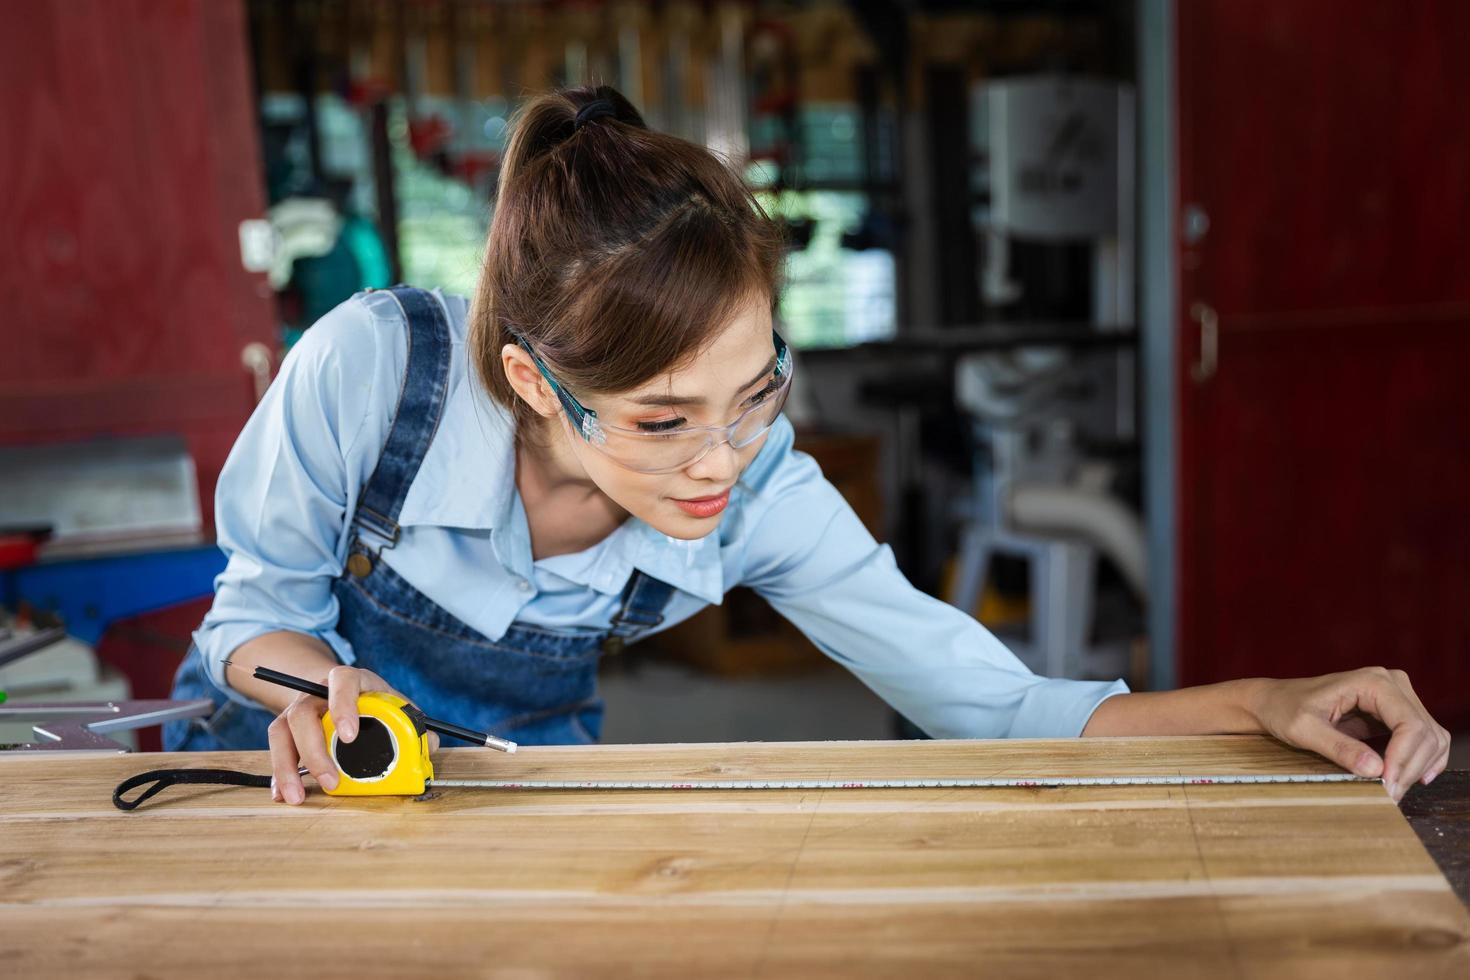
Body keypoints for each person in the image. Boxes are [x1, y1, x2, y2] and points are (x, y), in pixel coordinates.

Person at [164, 85, 1451, 807]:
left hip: (514, 795)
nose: (720, 461)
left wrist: (1261, 704)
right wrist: (312, 688)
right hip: (265, 781)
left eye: (756, 392)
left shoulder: (761, 494)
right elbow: (249, 616)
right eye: (664, 421)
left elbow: (1002, 709)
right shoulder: (373, 368)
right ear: (532, 381)